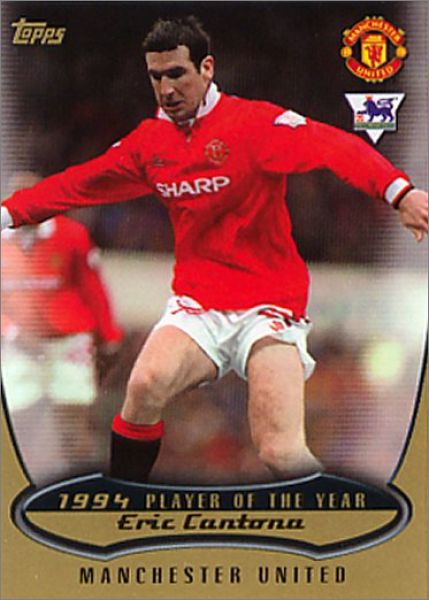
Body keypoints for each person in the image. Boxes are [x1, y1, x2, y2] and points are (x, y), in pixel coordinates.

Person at [1, 17, 427, 484]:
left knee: (280, 449)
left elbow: (335, 146)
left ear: (206, 68)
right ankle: (122, 496)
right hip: (198, 305)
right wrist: (7, 214)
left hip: (269, 305)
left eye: (177, 74)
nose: (167, 89)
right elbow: (76, 184)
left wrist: (399, 192)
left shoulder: (254, 124)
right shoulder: (149, 143)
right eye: (156, 77)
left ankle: (337, 512)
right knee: (144, 386)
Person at [1, 172, 123, 482]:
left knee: (73, 418)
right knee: (16, 421)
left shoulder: (71, 235)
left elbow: (93, 288)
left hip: (68, 342)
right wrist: (13, 331)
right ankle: (18, 484)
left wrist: (109, 335)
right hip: (17, 346)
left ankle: (79, 484)